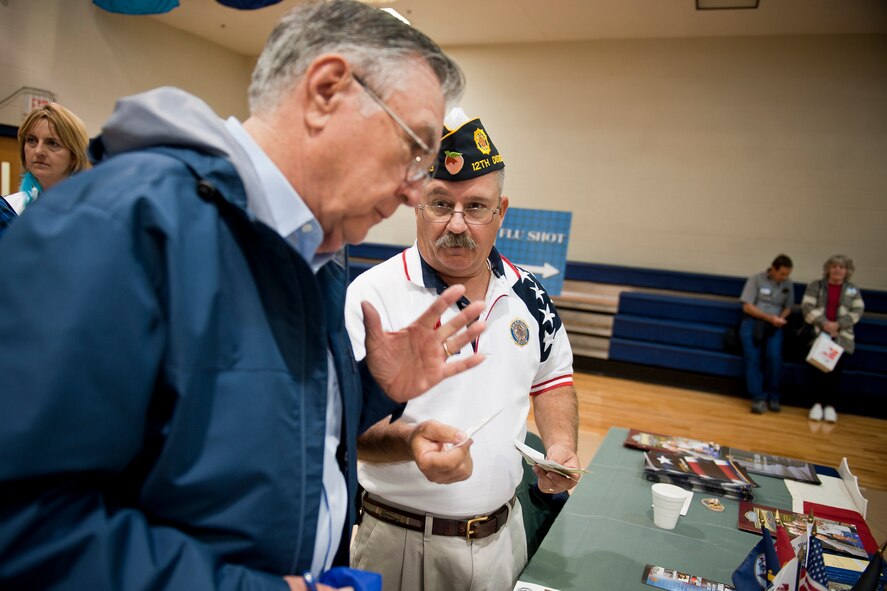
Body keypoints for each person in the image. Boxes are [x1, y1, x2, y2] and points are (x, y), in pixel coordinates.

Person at [0, 2, 487, 590]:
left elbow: (248, 431)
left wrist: (372, 387)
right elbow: (25, 527)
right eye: (415, 149)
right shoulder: (121, 223)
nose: (416, 192)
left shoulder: (318, 250)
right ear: (327, 91)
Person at [345, 109, 580, 591]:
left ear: (501, 211)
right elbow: (345, 428)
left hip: (503, 540)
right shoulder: (371, 296)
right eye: (440, 204)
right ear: (416, 204)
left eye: (475, 207)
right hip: (398, 544)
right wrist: (410, 444)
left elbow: (553, 379)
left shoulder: (529, 295)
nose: (456, 224)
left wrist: (561, 447)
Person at [0, 102, 89, 238]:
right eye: (31, 140)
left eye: (52, 143)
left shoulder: (95, 214)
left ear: (74, 156)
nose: (39, 151)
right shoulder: (6, 210)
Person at [801, 255, 865, 423]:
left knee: (835, 373)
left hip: (841, 337)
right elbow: (807, 307)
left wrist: (838, 325)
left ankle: (830, 406)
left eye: (841, 267)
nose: (837, 270)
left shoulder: (852, 289)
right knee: (817, 371)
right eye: (834, 266)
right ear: (828, 269)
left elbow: (858, 310)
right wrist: (825, 324)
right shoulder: (817, 285)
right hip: (818, 334)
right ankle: (816, 404)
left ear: (847, 271)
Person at [739, 254, 794, 414]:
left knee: (774, 357)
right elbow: (747, 306)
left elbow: (788, 307)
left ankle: (774, 395)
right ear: (773, 269)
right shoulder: (756, 279)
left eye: (787, 274)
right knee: (752, 359)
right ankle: (758, 397)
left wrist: (780, 319)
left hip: (775, 325)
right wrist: (768, 318)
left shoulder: (788, 284)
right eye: (782, 274)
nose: (784, 277)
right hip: (754, 321)